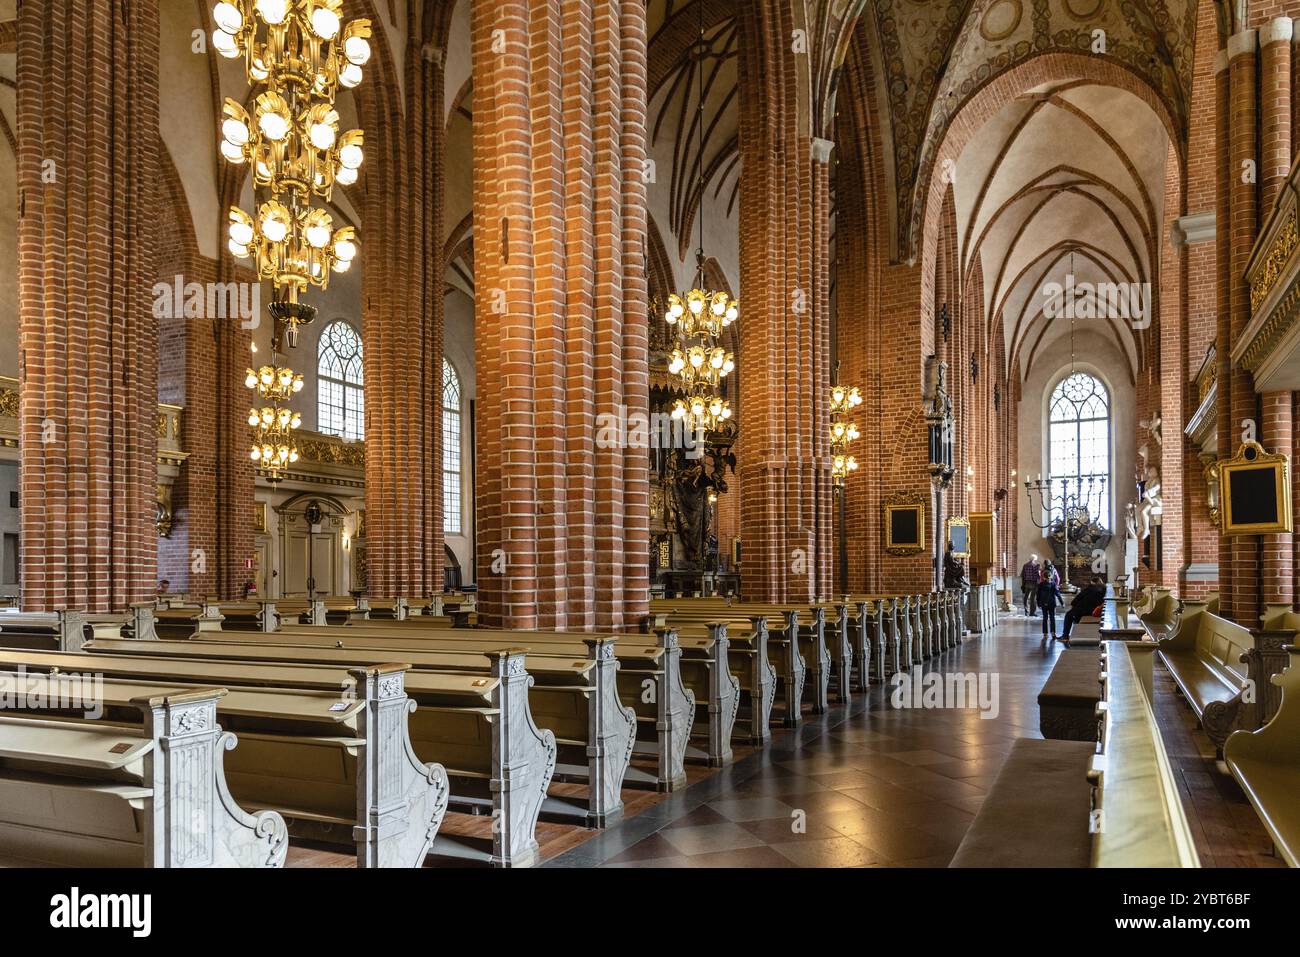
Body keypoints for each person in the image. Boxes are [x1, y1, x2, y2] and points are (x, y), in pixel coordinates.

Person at [1061, 575, 1107, 640]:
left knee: (1068, 615)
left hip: (1084, 610)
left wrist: (1073, 605)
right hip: (1094, 610)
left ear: (1092, 582)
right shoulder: (1104, 589)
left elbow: (1076, 600)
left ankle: (1065, 636)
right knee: (1074, 615)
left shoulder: (1090, 588)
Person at [1036, 563, 1062, 640]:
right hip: (1052, 603)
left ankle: (1045, 634)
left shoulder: (1041, 585)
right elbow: (1057, 594)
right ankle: (1053, 633)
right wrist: (1061, 602)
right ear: (1051, 576)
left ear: (1043, 577)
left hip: (1044, 603)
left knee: (1045, 618)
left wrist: (1038, 603)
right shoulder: (1053, 584)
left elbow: (1038, 595)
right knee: (1052, 618)